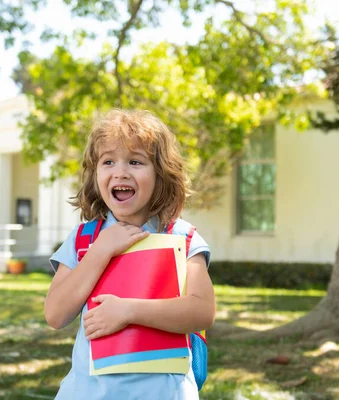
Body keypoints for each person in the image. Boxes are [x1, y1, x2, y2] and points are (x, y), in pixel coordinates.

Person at [44, 109, 216, 399]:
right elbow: (55, 314)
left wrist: (128, 312)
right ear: (95, 173)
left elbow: (202, 312)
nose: (120, 171)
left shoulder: (181, 237)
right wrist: (101, 250)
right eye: (108, 161)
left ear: (161, 175)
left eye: (135, 161)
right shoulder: (84, 240)